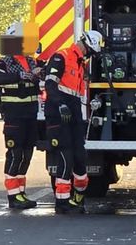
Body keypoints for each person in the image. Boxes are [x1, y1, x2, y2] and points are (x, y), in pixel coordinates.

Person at [44, 29, 104, 215]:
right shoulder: (61, 57)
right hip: (58, 113)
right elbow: (50, 84)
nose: (89, 56)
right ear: (86, 45)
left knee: (80, 156)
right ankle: (62, 202)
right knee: (65, 156)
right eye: (90, 52)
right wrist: (60, 105)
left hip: (74, 113)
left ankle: (78, 198)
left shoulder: (80, 63)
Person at [0, 25, 41, 210]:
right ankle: (13, 196)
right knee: (15, 154)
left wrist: (38, 73)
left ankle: (21, 193)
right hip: (14, 116)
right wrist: (21, 75)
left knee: (27, 154)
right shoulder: (4, 62)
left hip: (30, 115)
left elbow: (39, 77)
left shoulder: (31, 61)